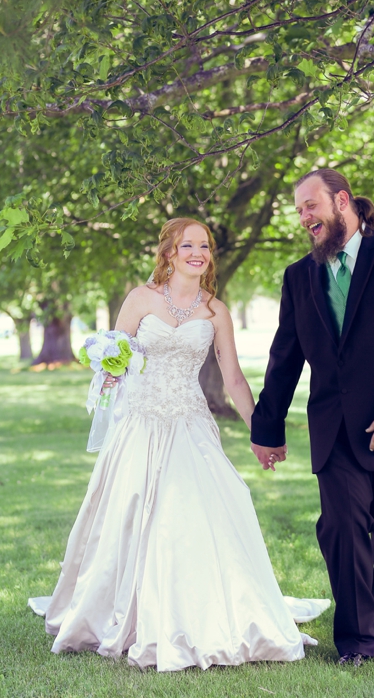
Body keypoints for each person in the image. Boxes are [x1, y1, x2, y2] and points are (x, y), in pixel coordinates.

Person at [30, 217, 329, 672]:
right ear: (168, 251)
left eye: (204, 246)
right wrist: (110, 370)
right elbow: (118, 355)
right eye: (187, 245)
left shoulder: (216, 312)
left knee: (191, 516)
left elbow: (232, 379)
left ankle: (199, 612)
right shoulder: (140, 299)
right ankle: (125, 613)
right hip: (140, 426)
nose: (197, 253)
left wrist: (261, 432)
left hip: (190, 426)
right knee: (129, 514)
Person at [251, 169, 374, 666]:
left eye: (309, 206)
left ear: (342, 201)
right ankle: (357, 642)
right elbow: (285, 356)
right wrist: (267, 429)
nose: (304, 218)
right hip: (336, 427)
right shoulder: (300, 276)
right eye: (298, 211)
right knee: (340, 525)